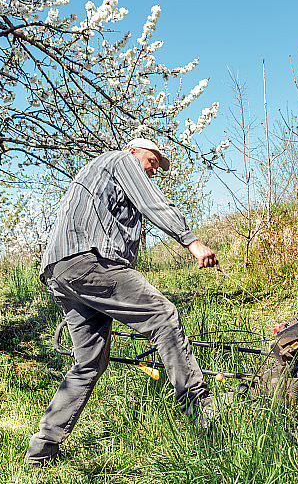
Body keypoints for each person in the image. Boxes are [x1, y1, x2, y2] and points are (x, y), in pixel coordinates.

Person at [25, 138, 220, 467]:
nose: (153, 170)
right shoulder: (120, 161)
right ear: (134, 152)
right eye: (151, 161)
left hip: (61, 271)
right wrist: (192, 241)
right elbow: (151, 201)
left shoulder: (95, 175)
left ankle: (40, 451)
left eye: (156, 167)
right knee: (162, 314)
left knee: (90, 364)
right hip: (89, 262)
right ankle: (202, 410)